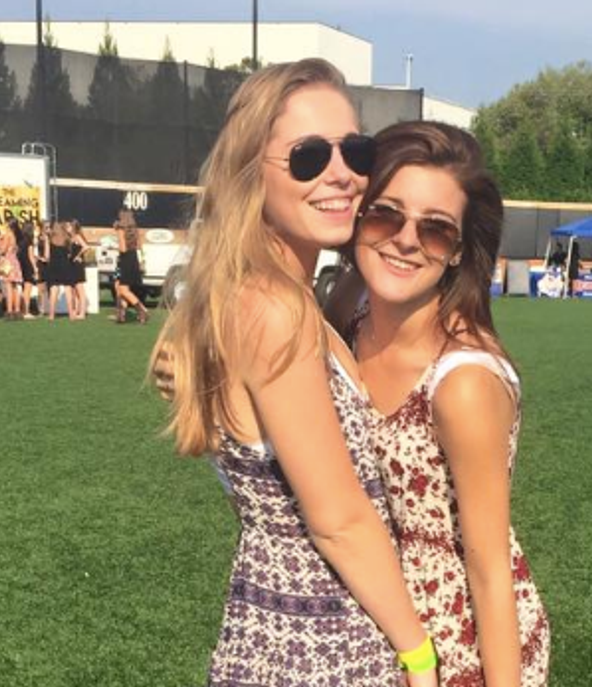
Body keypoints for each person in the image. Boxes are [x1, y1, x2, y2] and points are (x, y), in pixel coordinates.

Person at [150, 59, 437, 687]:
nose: (341, 174)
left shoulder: (274, 295)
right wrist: (421, 656)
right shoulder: (273, 307)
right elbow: (338, 519)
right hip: (320, 645)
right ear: (252, 173)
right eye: (308, 157)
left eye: (355, 151)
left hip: (281, 630)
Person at [340, 121, 550, 686]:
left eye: (435, 230)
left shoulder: (463, 383)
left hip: (461, 643)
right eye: (386, 215)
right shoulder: (350, 312)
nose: (405, 240)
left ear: (457, 251)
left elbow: (489, 567)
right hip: (384, 626)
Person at [114, 211, 148, 324]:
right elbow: (139, 245)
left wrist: (115, 246)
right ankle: (121, 315)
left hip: (125, 260)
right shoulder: (134, 229)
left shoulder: (120, 229)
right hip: (133, 259)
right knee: (121, 287)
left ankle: (141, 310)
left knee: (123, 290)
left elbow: (123, 249)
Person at [47, 222, 76, 321]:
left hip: (53, 265)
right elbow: (70, 253)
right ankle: (71, 314)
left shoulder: (50, 239)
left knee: (54, 289)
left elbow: (47, 255)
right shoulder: (67, 239)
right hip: (65, 265)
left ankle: (51, 315)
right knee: (68, 289)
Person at [0, 219, 25, 320]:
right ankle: (17, 310)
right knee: (15, 287)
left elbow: (3, 250)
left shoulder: (7, 235)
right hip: (14, 261)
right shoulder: (15, 235)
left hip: (8, 262)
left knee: (9, 286)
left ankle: (9, 310)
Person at [68, 219, 89, 320]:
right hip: (72, 266)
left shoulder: (77, 236)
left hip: (77, 266)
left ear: (73, 228)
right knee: (75, 290)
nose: (67, 228)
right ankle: (76, 311)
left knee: (80, 290)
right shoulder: (71, 238)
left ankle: (82, 313)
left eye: (69, 226)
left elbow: (86, 247)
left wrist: (78, 256)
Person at [17, 220, 38, 318]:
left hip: (21, 265)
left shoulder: (20, 240)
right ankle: (26, 311)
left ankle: (22, 310)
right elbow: (31, 256)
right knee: (27, 290)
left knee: (23, 289)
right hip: (28, 266)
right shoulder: (29, 240)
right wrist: (35, 268)